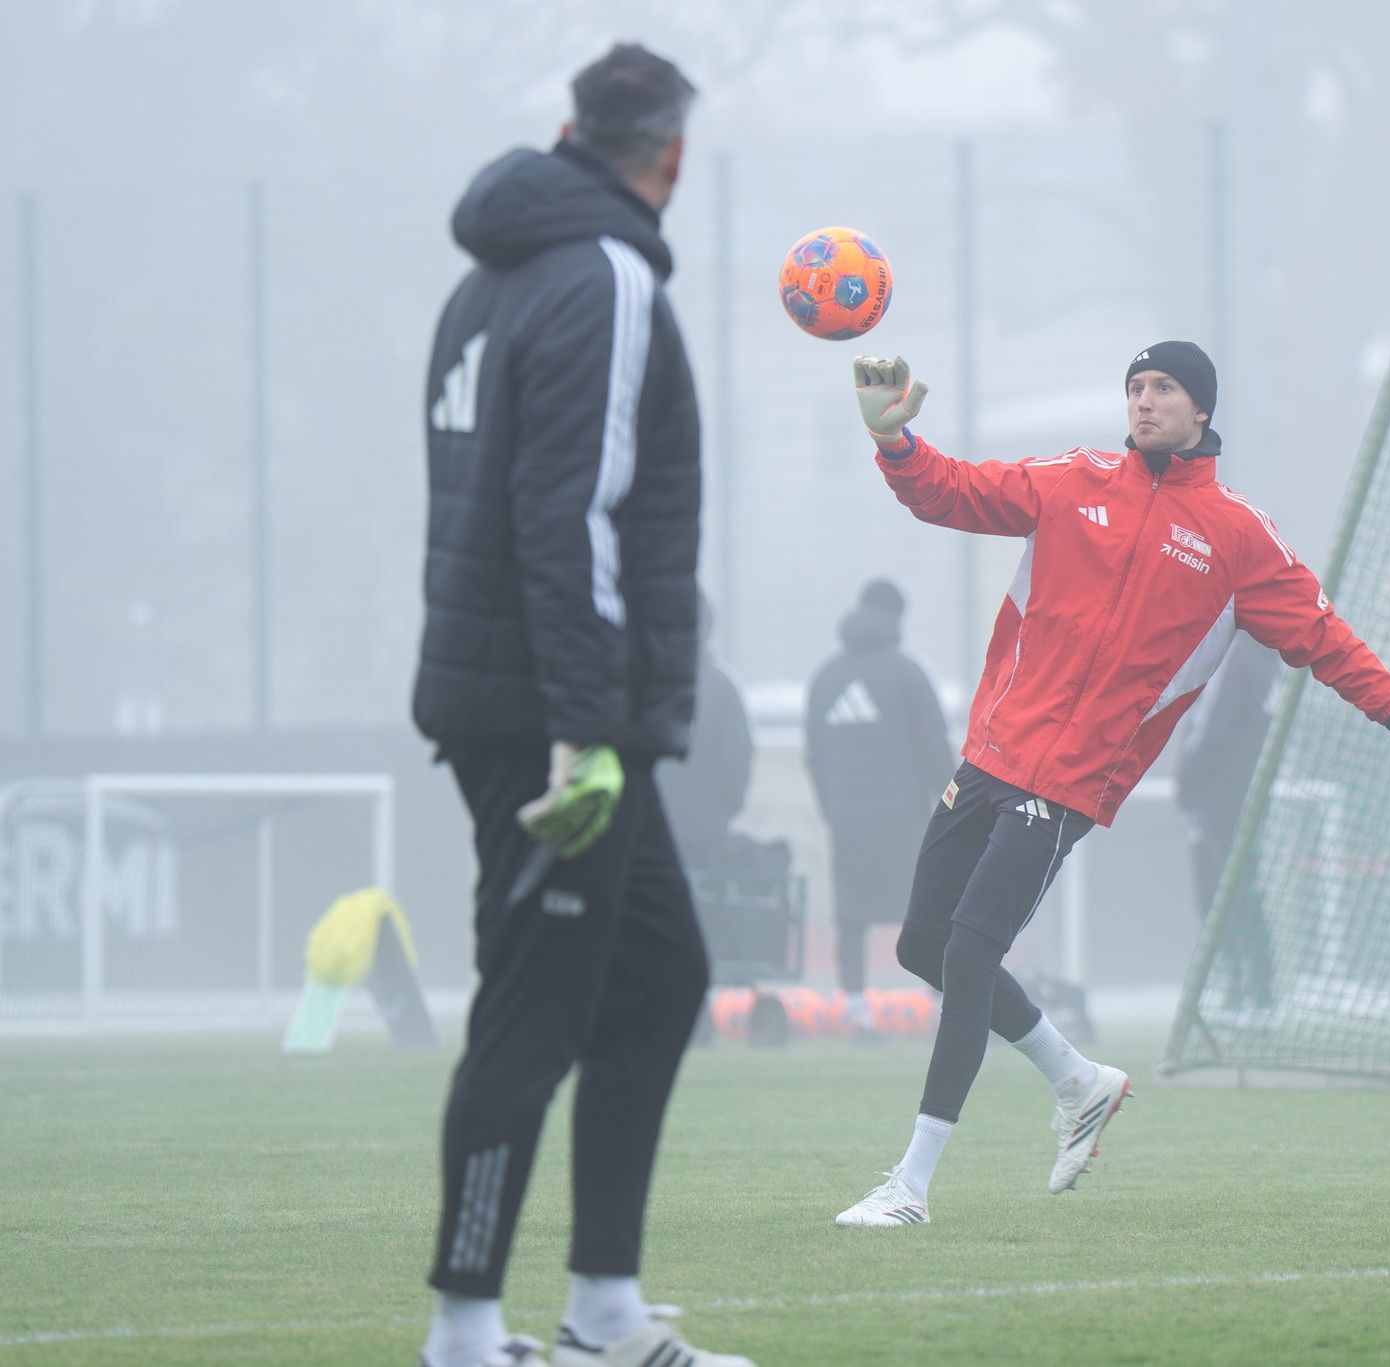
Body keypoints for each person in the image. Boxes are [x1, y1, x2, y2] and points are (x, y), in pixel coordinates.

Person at [832, 345, 1390, 1229]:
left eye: (1165, 389)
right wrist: (896, 442)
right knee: (921, 945)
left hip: (1069, 782)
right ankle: (1080, 1079)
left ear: (1201, 410)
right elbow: (951, 490)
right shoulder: (1071, 480)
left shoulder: (1236, 537)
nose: (1144, 401)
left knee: (966, 950)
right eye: (1136, 387)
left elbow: (1329, 642)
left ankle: (910, 1185)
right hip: (992, 754)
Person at [410, 43, 751, 1367]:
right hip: (551, 719)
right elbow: (570, 520)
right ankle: (463, 1325)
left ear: (568, 131)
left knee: (661, 973)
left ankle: (604, 1308)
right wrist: (584, 727)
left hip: (514, 693)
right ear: (670, 156)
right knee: (534, 1007)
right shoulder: (602, 276)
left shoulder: (487, 277)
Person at [803, 578, 955, 1034]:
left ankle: (855, 1009)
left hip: (847, 821)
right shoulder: (908, 673)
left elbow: (813, 756)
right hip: (906, 821)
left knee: (851, 914)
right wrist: (952, 808)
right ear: (896, 617)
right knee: (926, 908)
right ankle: (945, 1003)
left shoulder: (826, 678)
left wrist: (834, 812)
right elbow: (935, 750)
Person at [1175, 631, 1281, 1008]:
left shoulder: (1236, 655)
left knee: (1218, 893)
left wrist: (1187, 785)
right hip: (1250, 793)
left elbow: (1208, 728)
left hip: (1217, 796)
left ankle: (1240, 991)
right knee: (1243, 888)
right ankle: (1257, 990)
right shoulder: (1271, 662)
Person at [657, 590, 754, 870]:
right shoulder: (724, 688)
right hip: (708, 831)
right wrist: (723, 811)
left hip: (651, 826)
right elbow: (738, 759)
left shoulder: (643, 684)